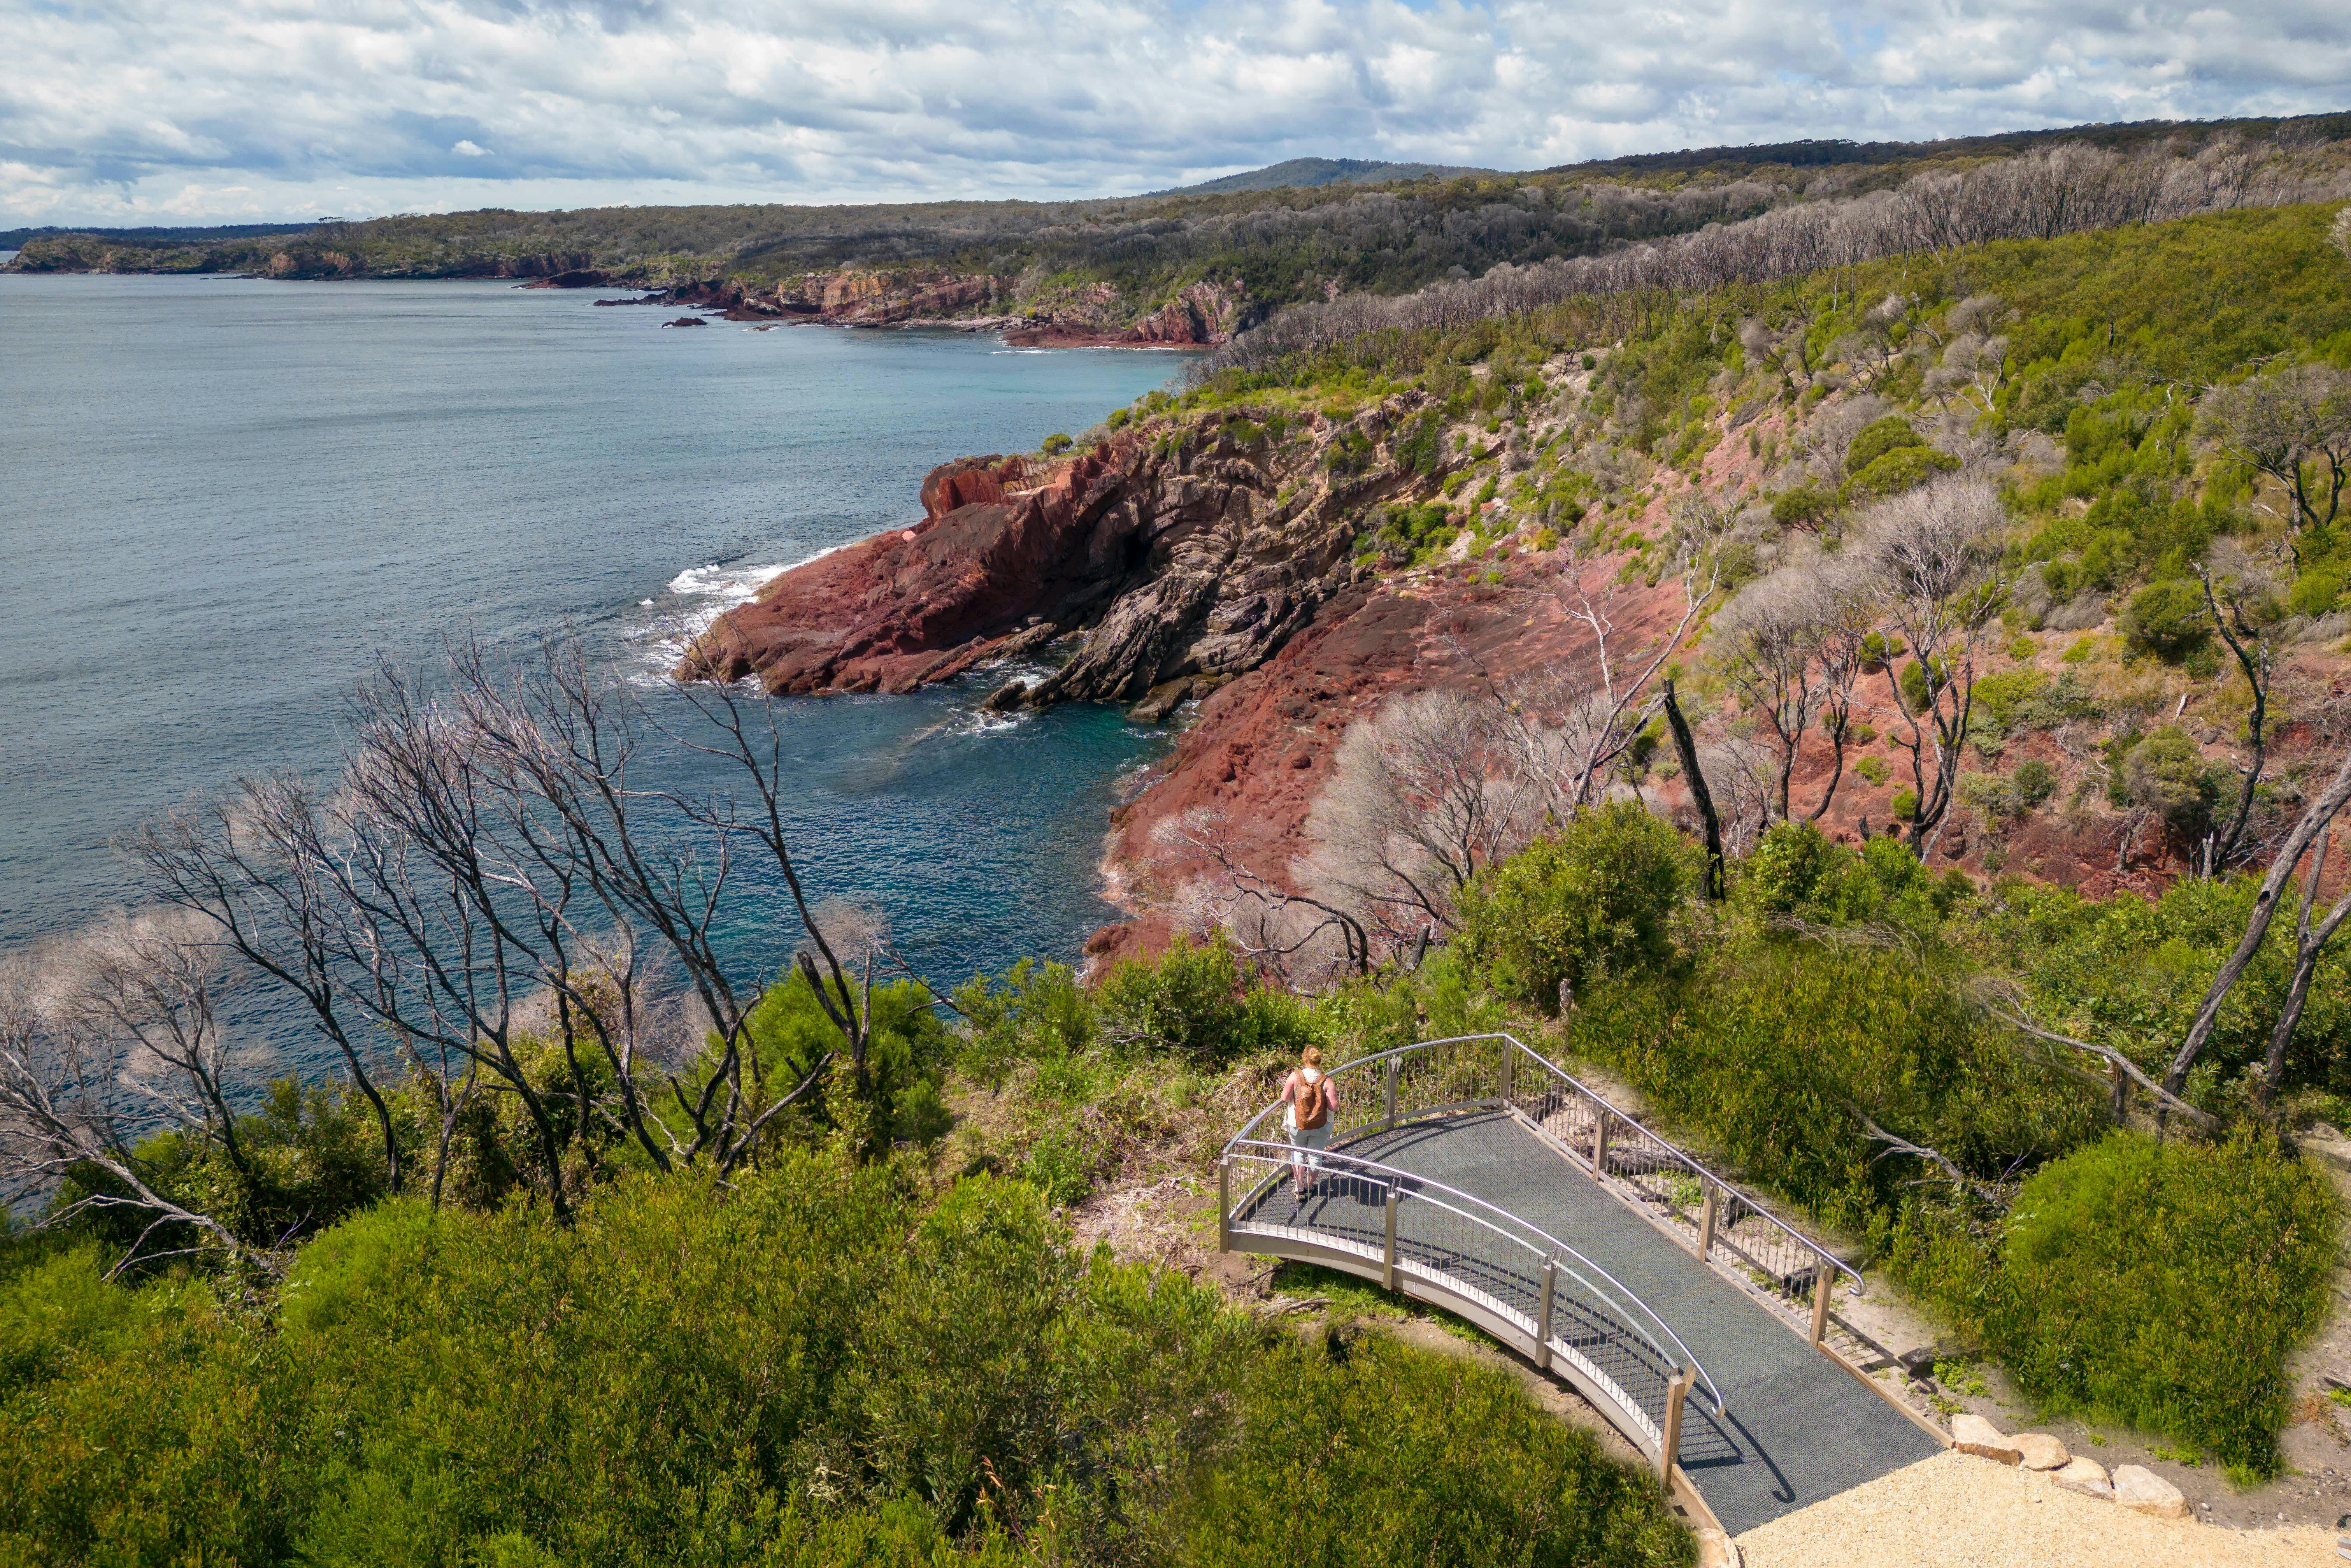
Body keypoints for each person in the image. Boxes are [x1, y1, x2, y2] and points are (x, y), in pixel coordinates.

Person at [1281, 1045, 1334, 1196]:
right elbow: (1334, 1107)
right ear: (1319, 1060)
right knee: (1316, 1156)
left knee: (1298, 1152)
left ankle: (1299, 1188)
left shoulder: (1295, 1077)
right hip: (1321, 1126)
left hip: (1297, 1124)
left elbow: (1285, 1098)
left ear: (1305, 1060)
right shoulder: (1327, 1081)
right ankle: (1310, 1187)